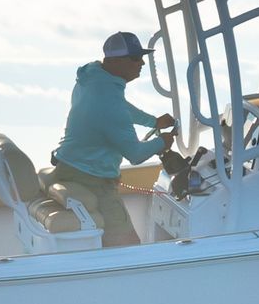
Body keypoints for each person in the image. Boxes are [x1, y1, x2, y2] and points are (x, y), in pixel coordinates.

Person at [47, 30, 176, 247]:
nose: (141, 63)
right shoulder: (109, 101)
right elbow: (135, 154)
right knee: (129, 247)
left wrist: (153, 122)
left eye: (141, 57)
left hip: (67, 167)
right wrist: (163, 142)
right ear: (115, 61)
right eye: (135, 58)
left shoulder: (94, 80)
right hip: (91, 181)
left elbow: (120, 108)